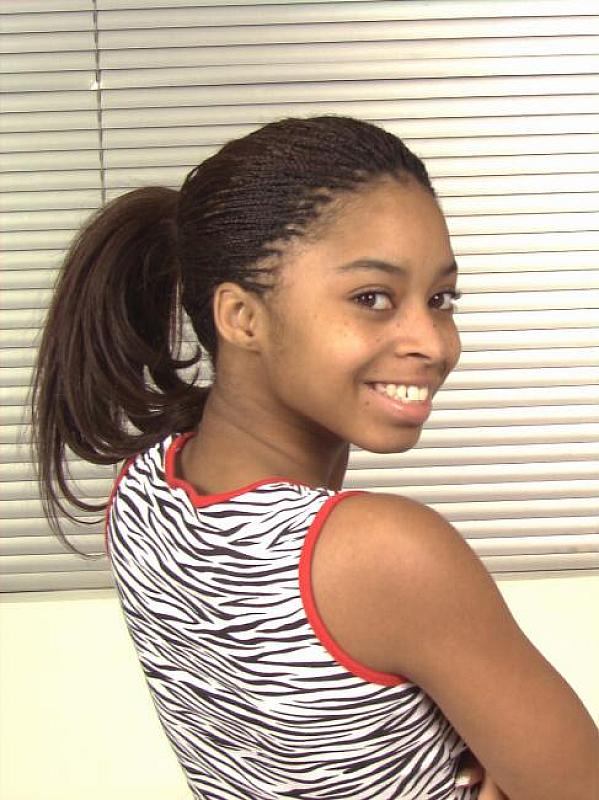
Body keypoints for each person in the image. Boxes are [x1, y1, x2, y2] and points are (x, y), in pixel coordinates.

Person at [31, 116, 597, 800]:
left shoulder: (141, 494)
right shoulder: (383, 553)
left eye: (440, 298)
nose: (433, 342)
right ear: (241, 318)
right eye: (371, 298)